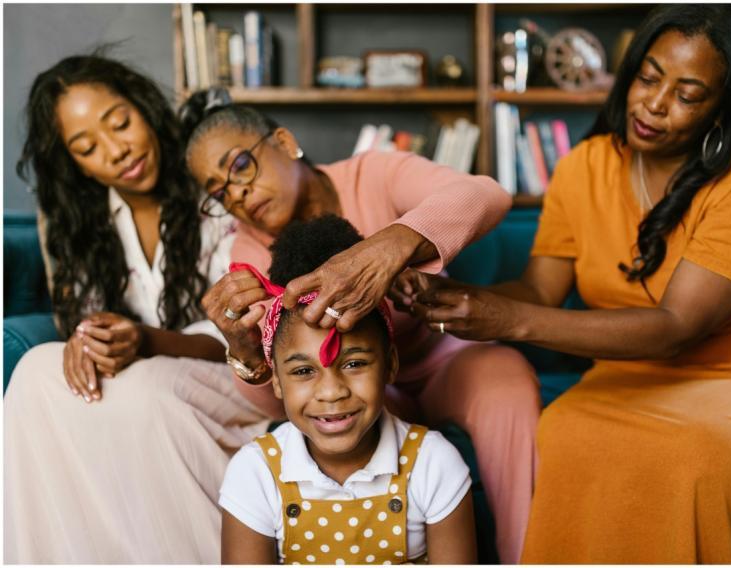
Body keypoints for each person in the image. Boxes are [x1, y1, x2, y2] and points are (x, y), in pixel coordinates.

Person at [398, 5, 731, 564]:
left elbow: (675, 328)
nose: (654, 104)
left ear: (723, 108)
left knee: (700, 454)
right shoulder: (585, 165)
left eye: (687, 94)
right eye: (649, 77)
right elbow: (540, 289)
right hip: (629, 370)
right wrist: (454, 298)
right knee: (562, 432)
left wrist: (505, 320)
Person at [181, 90, 540, 564]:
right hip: (365, 382)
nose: (238, 194)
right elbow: (287, 388)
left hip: (443, 357)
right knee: (338, 410)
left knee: (506, 379)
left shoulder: (374, 174)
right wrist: (245, 351)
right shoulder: (248, 256)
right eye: (219, 193)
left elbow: (487, 194)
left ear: (284, 142)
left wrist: (392, 245)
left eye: (241, 166)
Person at [3, 55, 267, 563]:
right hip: (145, 372)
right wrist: (88, 338)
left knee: (146, 392)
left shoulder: (211, 187)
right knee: (36, 371)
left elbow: (242, 336)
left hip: (235, 374)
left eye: (120, 123)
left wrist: (144, 340)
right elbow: (87, 311)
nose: (116, 150)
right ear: (73, 163)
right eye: (86, 148)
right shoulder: (81, 219)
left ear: (143, 107)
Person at [219, 215, 476, 564]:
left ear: (390, 364)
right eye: (304, 370)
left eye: (354, 364)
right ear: (276, 381)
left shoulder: (433, 464)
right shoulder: (256, 473)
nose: (331, 392)